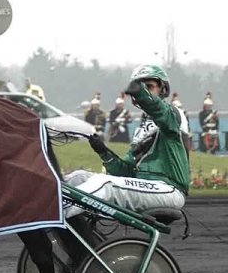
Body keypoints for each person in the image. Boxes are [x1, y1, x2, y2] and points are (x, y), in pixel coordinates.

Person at [64, 64, 189, 219]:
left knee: (105, 185)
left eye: (149, 86)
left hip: (169, 189)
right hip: (145, 188)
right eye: (140, 88)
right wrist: (103, 152)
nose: (143, 92)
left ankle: (51, 216)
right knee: (78, 177)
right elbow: (125, 172)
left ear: (163, 89)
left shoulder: (174, 115)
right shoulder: (141, 131)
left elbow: (158, 109)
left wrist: (141, 92)